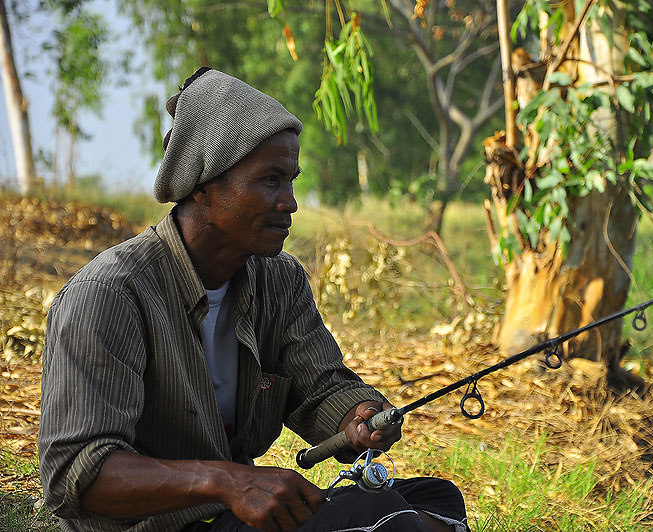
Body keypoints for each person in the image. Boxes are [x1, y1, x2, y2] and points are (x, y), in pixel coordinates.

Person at [38, 68, 469, 532]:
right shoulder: (109, 296)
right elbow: (74, 476)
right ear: (203, 184)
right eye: (269, 180)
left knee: (436, 498)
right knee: (380, 518)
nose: (290, 202)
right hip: (160, 525)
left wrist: (358, 415)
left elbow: (321, 387)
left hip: (230, 515)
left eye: (291, 181)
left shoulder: (278, 282)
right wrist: (227, 481)